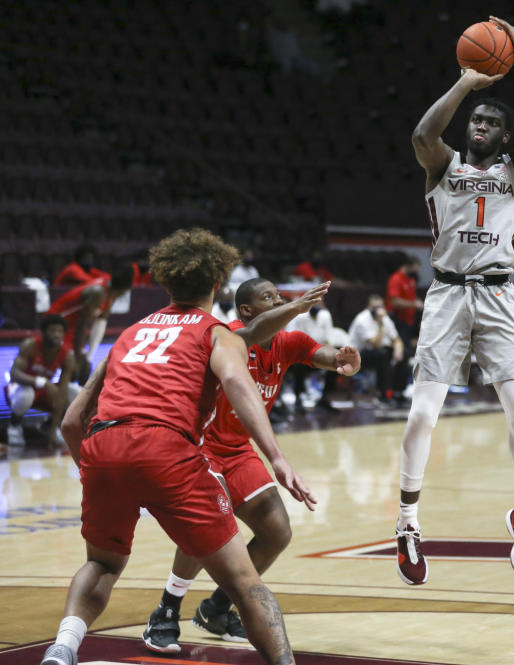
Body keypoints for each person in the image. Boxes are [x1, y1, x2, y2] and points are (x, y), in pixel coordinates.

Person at [40, 229, 314, 665]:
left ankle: (62, 648)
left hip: (102, 443)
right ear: (218, 284)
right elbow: (240, 388)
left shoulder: (130, 332)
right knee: (244, 581)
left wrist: (95, 471)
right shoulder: (218, 332)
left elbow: (73, 419)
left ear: (166, 284)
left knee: (104, 565)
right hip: (166, 445)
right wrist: (277, 457)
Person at [395, 15, 514, 585]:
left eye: (491, 121)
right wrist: (468, 83)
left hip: (497, 296)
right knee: (421, 414)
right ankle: (408, 524)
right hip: (445, 295)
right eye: (477, 121)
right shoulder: (443, 164)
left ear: (507, 136)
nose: (481, 125)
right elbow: (421, 135)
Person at [141, 277, 358, 654]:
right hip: (202, 447)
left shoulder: (288, 342)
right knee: (207, 528)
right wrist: (295, 308)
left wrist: (343, 362)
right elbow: (252, 335)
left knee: (277, 531)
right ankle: (165, 611)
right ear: (247, 311)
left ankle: (216, 608)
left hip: (239, 450)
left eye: (279, 295)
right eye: (267, 297)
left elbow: (322, 353)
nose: (278, 300)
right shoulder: (231, 337)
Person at [47, 265, 135, 380]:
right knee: (73, 368)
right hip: (55, 324)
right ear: (127, 289)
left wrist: (89, 358)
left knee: (84, 369)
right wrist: (78, 358)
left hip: (71, 327)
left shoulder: (111, 293)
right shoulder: (98, 293)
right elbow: (81, 327)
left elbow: (100, 323)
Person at [4, 314, 78, 447]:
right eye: (52, 330)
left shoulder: (67, 355)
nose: (56, 334)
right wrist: (42, 382)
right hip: (20, 387)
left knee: (75, 392)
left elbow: (61, 393)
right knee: (26, 394)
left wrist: (54, 428)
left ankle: (50, 426)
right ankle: (14, 425)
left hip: (44, 391)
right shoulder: (30, 345)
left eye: (60, 331)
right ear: (43, 333)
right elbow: (14, 374)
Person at [348, 294, 408, 405]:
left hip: (377, 351)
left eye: (380, 307)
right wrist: (380, 324)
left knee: (404, 353)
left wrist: (398, 352)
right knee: (382, 354)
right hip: (357, 355)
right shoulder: (362, 319)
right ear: (368, 307)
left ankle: (398, 392)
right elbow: (375, 343)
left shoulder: (385, 318)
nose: (378, 310)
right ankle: (383, 395)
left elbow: (396, 339)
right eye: (374, 307)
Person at [287, 303, 340, 413]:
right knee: (298, 365)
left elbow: (330, 338)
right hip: (301, 355)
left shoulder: (325, 315)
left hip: (320, 354)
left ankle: (324, 398)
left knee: (338, 361)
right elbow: (289, 339)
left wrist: (328, 353)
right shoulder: (298, 316)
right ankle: (298, 398)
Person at [386, 254, 423, 349]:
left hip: (410, 320)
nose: (417, 271)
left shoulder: (411, 279)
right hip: (398, 320)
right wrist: (414, 304)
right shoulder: (396, 279)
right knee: (402, 348)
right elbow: (394, 302)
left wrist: (418, 302)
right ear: (408, 266)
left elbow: (412, 297)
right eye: (416, 268)